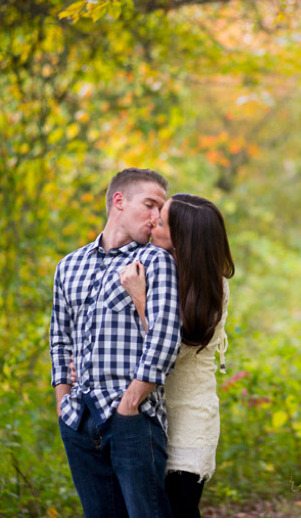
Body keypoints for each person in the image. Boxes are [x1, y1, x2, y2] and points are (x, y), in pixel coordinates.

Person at [50, 168, 181, 516]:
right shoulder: (68, 266)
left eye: (161, 209)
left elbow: (166, 337)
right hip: (79, 420)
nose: (156, 218)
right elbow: (59, 341)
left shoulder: (156, 262)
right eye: (150, 205)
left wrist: (129, 405)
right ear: (119, 202)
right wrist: (64, 406)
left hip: (133, 420)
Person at [118, 193, 234, 517]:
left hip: (190, 421)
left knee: (180, 510)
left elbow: (171, 352)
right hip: (153, 415)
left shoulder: (214, 288)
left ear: (183, 237)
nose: (153, 220)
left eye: (163, 219)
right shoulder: (156, 268)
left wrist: (140, 300)